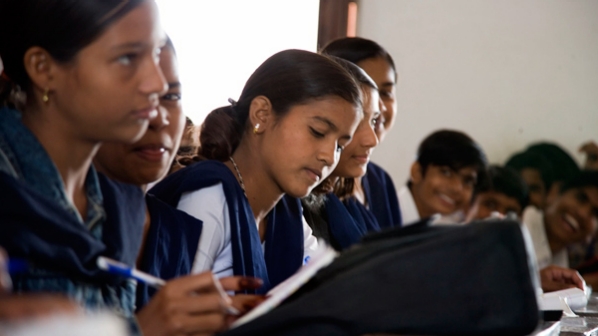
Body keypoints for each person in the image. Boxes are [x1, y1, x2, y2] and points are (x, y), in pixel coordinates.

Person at [0, 0, 165, 329]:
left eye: (157, 54)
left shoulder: (120, 208)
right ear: (44, 69)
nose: (157, 83)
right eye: (127, 57)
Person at [150, 49, 362, 293]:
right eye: (317, 131)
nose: (328, 156)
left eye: (340, 145)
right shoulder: (209, 201)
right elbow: (173, 315)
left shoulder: (287, 213)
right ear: (261, 114)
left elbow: (324, 289)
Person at [303, 59, 383, 250]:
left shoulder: (353, 209)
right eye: (358, 121)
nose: (372, 140)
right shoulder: (297, 210)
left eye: (373, 121)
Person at [321, 37, 401, 228]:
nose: (380, 106)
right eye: (364, 93)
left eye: (386, 93)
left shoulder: (380, 181)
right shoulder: (309, 184)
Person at [398, 129, 488, 225]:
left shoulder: (435, 229)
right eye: (446, 173)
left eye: (468, 181)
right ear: (417, 172)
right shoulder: (385, 218)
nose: (457, 188)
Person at [524, 171, 598, 270]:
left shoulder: (560, 267)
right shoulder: (514, 226)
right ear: (555, 193)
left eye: (596, 213)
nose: (582, 213)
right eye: (581, 198)